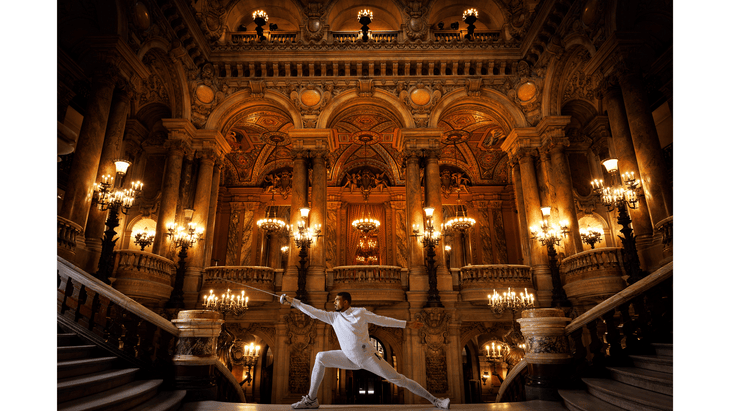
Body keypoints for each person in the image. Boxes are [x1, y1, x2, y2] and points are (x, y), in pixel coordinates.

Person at [280, 292, 450, 409]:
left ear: (345, 302)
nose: (334, 303)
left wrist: (406, 324)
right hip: (348, 358)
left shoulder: (360, 313)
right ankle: (311, 399)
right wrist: (292, 301)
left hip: (368, 357)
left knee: (399, 380)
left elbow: (382, 320)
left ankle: (436, 401)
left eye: (337, 300)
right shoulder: (333, 317)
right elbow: (313, 312)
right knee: (320, 357)